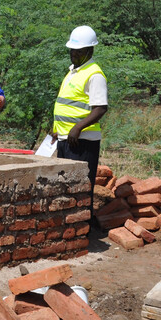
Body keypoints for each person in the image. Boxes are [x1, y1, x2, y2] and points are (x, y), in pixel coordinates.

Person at [50, 25, 108, 194]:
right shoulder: (73, 71)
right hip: (66, 139)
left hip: (82, 141)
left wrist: (77, 127)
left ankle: (85, 220)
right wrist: (58, 130)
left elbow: (100, 108)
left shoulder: (94, 74)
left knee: (79, 191)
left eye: (79, 51)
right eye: (72, 51)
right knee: (66, 189)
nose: (74, 54)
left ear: (90, 50)